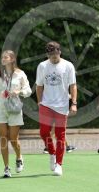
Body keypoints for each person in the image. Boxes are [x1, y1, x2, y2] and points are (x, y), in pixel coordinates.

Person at [0, 50, 32, 178]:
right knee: (3, 138)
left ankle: (19, 157)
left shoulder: (20, 74)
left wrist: (19, 91)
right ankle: (6, 168)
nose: (3, 59)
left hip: (14, 108)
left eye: (5, 57)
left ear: (12, 59)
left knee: (13, 139)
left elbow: (28, 91)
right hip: (0, 109)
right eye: (2, 57)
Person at [36, 41, 77, 176]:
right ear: (47, 54)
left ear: (60, 52)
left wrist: (74, 103)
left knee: (60, 135)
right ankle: (52, 154)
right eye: (51, 55)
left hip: (62, 105)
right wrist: (40, 102)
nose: (53, 57)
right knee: (43, 132)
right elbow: (39, 85)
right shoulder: (42, 66)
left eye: (56, 54)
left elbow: (73, 85)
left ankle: (59, 164)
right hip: (46, 104)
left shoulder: (68, 66)